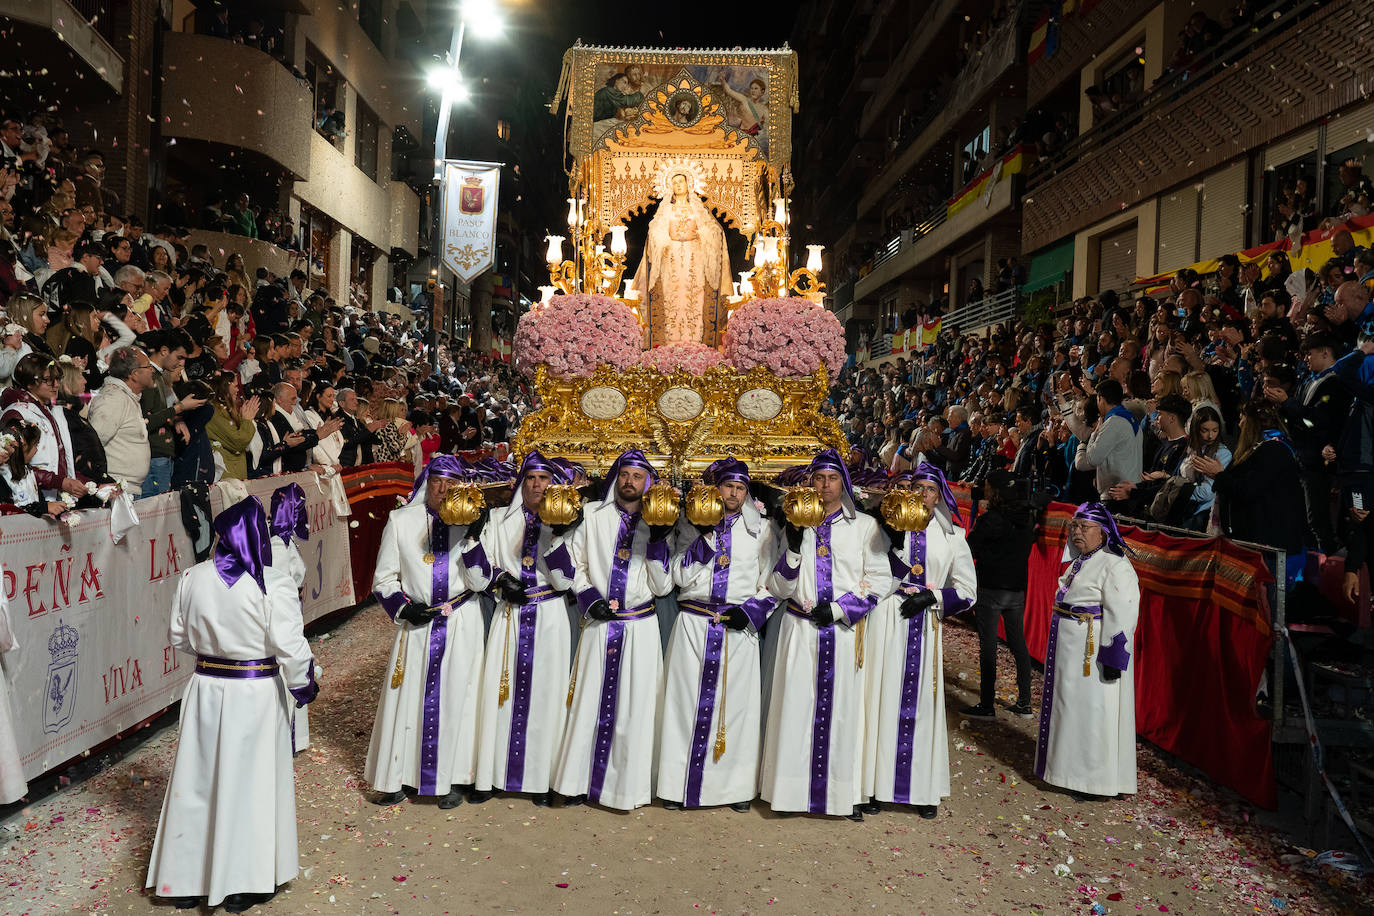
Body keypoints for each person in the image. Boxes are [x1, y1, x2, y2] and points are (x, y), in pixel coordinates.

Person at [144, 496, 318, 913]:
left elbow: (178, 637)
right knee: (252, 784)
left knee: (197, 779)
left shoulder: (191, 577)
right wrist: (303, 686)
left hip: (206, 687)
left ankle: (185, 878)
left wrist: (213, 655)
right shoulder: (272, 582)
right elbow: (290, 647)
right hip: (255, 690)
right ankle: (247, 880)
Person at [760, 449, 892, 820]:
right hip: (799, 628)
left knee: (843, 713)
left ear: (843, 484)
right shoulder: (790, 524)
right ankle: (787, 794)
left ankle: (841, 796)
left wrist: (838, 609)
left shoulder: (864, 527)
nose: (825, 485)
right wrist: (795, 547)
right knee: (794, 708)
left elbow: (879, 579)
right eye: (818, 478)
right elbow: (777, 587)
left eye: (832, 478)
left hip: (842, 632)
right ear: (809, 483)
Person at [544, 449, 675, 810]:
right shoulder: (591, 515)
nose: (630, 481)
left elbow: (663, 587)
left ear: (648, 482)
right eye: (625, 474)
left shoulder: (660, 521)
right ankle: (573, 783)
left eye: (637, 476)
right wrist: (588, 598)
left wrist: (659, 542)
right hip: (599, 624)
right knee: (586, 702)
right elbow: (574, 565)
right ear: (616, 477)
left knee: (636, 706)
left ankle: (626, 790)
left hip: (640, 627)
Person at [364, 455, 493, 809]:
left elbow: (481, 583)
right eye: (437, 480)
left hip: (460, 623)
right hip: (417, 626)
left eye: (451, 483)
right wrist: (403, 608)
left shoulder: (471, 522)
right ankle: (396, 778)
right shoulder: (401, 521)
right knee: (405, 699)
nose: (443, 488)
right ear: (427, 481)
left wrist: (473, 538)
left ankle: (450, 778)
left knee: (457, 699)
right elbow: (384, 579)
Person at [658, 457, 777, 812]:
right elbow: (678, 576)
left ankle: (733, 790)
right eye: (728, 487)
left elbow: (771, 583)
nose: (734, 494)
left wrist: (752, 612)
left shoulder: (763, 530)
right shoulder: (689, 524)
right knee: (683, 705)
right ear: (716, 488)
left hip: (738, 628)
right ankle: (677, 787)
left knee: (736, 709)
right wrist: (705, 539)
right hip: (693, 624)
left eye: (741, 488)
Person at [868, 462, 975, 818]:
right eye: (917, 488)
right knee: (882, 698)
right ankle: (878, 786)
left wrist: (935, 598)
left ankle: (922, 789)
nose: (923, 496)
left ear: (939, 496)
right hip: (889, 619)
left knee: (922, 705)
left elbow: (968, 591)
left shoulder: (953, 537)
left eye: (929, 490)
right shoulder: (889, 529)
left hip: (924, 623)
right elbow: (873, 571)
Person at [472, 451, 572, 807]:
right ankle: (494, 776)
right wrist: (498, 579)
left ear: (553, 484)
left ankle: (542, 778)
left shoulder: (566, 523)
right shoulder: (499, 520)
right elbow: (479, 565)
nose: (536, 485)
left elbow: (564, 582)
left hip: (549, 616)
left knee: (547, 695)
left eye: (544, 479)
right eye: (530, 478)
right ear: (521, 483)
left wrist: (558, 536)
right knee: (499, 693)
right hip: (510, 613)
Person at [1034, 503, 1139, 800]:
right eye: (1074, 526)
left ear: (1103, 532)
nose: (1077, 532)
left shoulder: (1115, 564)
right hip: (1072, 649)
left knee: (1095, 713)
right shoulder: (1081, 560)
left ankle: (1095, 781)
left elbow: (1123, 613)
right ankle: (1069, 772)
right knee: (1072, 711)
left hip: (1093, 653)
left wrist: (1113, 656)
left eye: (1085, 527)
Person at [962, 469, 1037, 720]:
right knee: (1018, 645)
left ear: (993, 492)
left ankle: (986, 704)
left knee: (988, 646)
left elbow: (969, 547)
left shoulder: (991, 520)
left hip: (991, 587)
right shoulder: (1026, 518)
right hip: (1016, 589)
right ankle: (1025, 702)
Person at [634, 169, 734, 349]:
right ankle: (669, 341)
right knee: (671, 295)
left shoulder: (698, 210)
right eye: (674, 182)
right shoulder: (666, 210)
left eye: (681, 181)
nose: (678, 185)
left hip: (694, 256)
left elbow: (715, 231)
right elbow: (654, 231)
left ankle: (695, 341)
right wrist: (662, 238)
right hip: (669, 257)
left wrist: (702, 233)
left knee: (694, 294)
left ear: (689, 184)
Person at [0, 353, 86, 500]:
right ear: (29, 383)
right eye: (47, 380)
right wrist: (59, 482)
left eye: (57, 379)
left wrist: (84, 483)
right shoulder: (17, 413)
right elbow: (12, 464)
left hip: (56, 498)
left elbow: (61, 460)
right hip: (30, 500)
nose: (56, 385)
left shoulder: (52, 410)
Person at [268, 482, 312, 754]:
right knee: (288, 667)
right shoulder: (276, 547)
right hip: (283, 617)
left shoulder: (285, 543)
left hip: (292, 610)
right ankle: (285, 737)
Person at [87, 347, 153, 495]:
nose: (152, 370)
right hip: (116, 491)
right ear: (134, 374)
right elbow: (93, 444)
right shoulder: (113, 399)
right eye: (148, 366)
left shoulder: (126, 397)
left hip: (127, 489)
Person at [207, 371, 259, 481]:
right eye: (235, 386)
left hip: (234, 474)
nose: (237, 390)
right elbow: (238, 441)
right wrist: (247, 421)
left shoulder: (225, 411)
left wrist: (242, 418)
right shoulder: (215, 412)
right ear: (225, 387)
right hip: (226, 477)